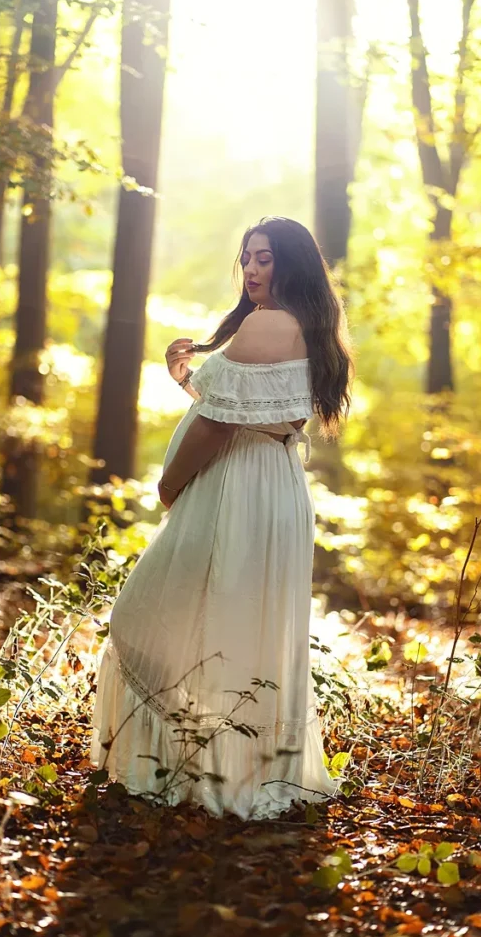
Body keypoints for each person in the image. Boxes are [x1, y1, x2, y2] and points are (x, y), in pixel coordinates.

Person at [91, 215, 355, 821]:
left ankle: (200, 767)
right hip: (273, 487)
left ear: (291, 264)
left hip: (238, 486)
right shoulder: (309, 327)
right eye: (248, 259)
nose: (254, 270)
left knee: (149, 611)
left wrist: (169, 482)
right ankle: (227, 763)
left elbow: (216, 426)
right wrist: (187, 380)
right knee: (239, 621)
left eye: (265, 258)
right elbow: (245, 408)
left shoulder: (266, 325)